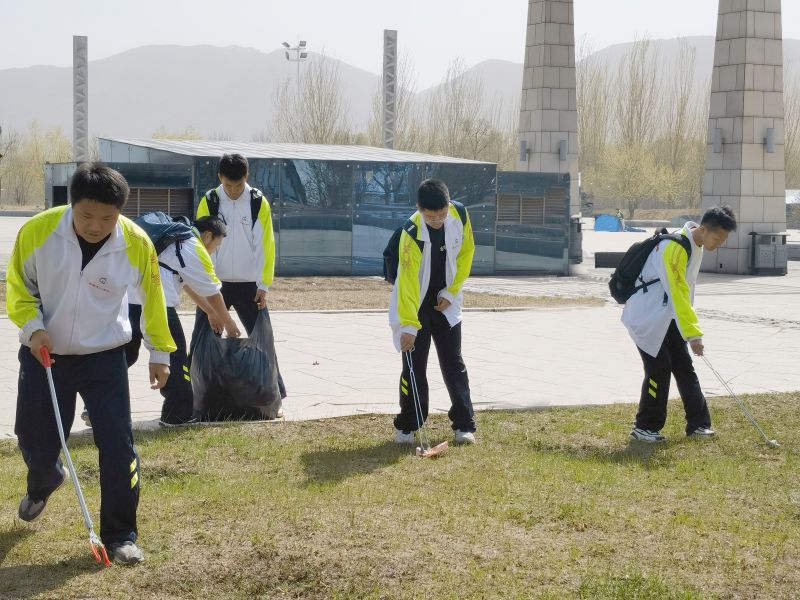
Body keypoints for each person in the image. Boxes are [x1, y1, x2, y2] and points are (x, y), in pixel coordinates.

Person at [7, 162, 176, 564]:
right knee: (34, 439)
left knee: (118, 446)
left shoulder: (136, 242)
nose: (96, 225)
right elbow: (18, 288)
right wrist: (33, 328)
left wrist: (160, 352)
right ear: (71, 205)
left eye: (107, 217)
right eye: (86, 215)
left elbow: (154, 299)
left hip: (105, 357)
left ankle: (121, 535)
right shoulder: (38, 232)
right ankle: (44, 480)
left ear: (120, 212)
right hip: (45, 355)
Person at [622, 205, 737, 443]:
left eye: (725, 238)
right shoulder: (675, 247)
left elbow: (684, 292)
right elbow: (679, 293)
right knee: (659, 368)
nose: (721, 242)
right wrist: (693, 334)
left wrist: (687, 330)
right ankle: (644, 427)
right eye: (719, 237)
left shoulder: (696, 243)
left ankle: (698, 425)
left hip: (668, 316)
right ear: (704, 229)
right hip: (647, 317)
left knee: (684, 366)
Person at [124, 215, 241, 426]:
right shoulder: (192, 246)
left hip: (129, 301)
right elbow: (214, 291)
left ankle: (94, 401)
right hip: (158, 305)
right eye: (217, 244)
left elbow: (186, 283)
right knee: (176, 357)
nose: (215, 250)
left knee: (123, 355)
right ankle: (177, 415)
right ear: (207, 236)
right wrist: (229, 323)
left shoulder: (174, 242)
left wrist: (209, 312)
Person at [190, 153, 286, 401]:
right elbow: (201, 246)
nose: (233, 191)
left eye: (238, 185)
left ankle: (274, 394)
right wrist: (204, 284)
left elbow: (265, 244)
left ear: (247, 177)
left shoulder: (257, 202)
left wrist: (263, 284)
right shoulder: (209, 200)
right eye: (228, 185)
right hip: (215, 285)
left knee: (262, 338)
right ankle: (196, 394)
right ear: (219, 177)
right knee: (203, 336)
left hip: (249, 285)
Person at [389, 178, 477, 445]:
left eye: (441, 214)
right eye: (431, 216)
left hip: (446, 302)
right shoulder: (411, 233)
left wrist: (451, 292)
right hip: (416, 305)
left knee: (454, 363)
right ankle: (408, 424)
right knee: (414, 367)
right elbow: (407, 283)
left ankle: (464, 424)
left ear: (448, 204)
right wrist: (408, 326)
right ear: (419, 208)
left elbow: (466, 253)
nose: (438, 220)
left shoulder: (460, 214)